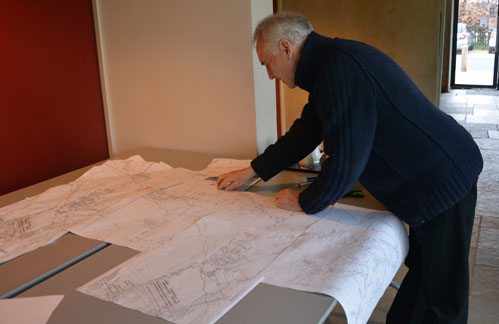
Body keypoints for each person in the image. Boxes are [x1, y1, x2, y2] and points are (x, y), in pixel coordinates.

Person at [216, 12, 482, 324]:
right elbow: (305, 132)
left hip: (443, 179)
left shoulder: (337, 71)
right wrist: (253, 171)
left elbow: (345, 164)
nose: (270, 75)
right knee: (424, 279)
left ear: (287, 49)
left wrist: (305, 201)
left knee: (443, 300)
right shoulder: (329, 66)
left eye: (267, 63)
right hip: (434, 175)